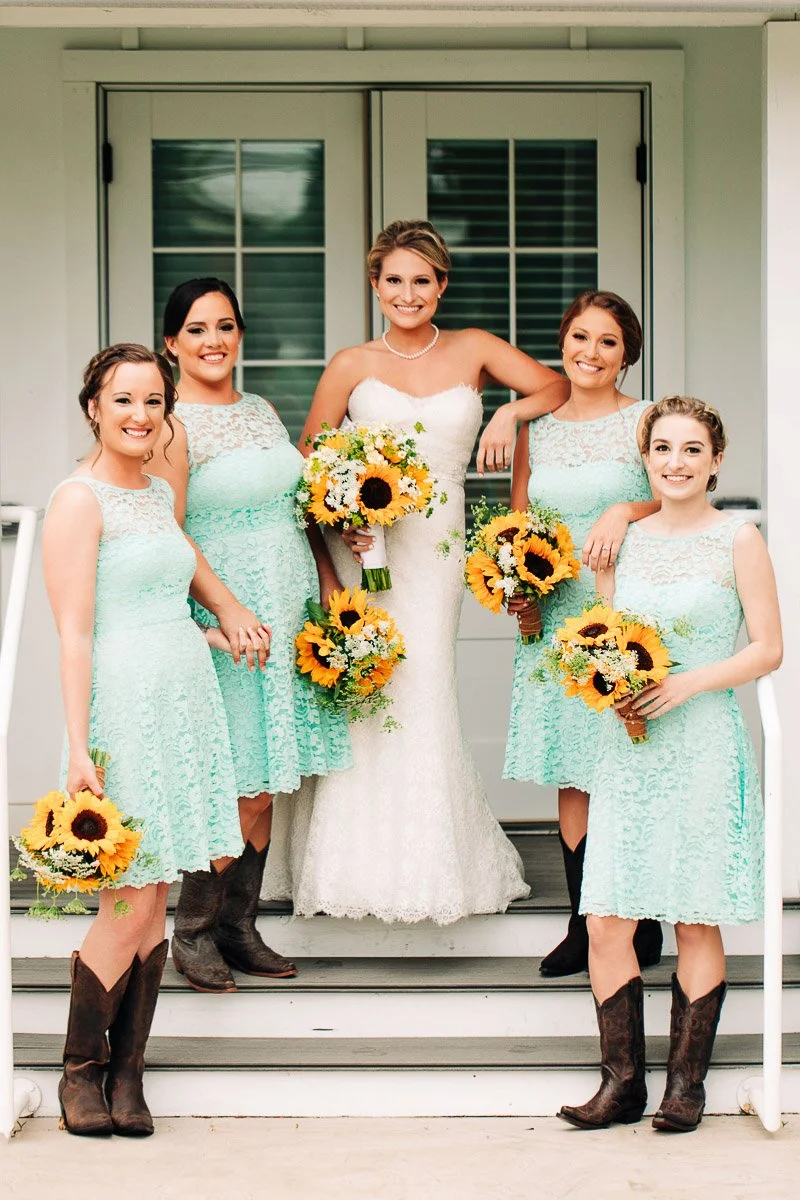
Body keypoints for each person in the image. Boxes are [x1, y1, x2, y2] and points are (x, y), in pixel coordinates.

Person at [264, 218, 569, 924]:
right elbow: (308, 462)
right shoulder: (350, 363)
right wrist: (342, 520)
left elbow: (554, 387)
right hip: (366, 545)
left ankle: (432, 864)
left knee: (423, 682)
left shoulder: (474, 348)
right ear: (375, 284)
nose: (408, 294)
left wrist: (508, 415)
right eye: (394, 280)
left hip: (435, 550)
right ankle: (346, 864)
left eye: (422, 281)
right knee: (363, 688)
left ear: (441, 286)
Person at [43, 344, 267, 1136]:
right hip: (126, 711)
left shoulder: (156, 492)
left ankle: (129, 1076)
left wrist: (205, 638)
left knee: (159, 899)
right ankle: (80, 1072)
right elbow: (74, 634)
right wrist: (77, 746)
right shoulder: (79, 500)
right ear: (94, 408)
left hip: (187, 699)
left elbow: (163, 599)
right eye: (123, 400)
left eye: (152, 402)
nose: (140, 416)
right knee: (128, 898)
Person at [558, 395, 781, 1132]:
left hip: (703, 742)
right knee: (607, 919)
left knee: (692, 917)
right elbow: (610, 635)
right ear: (645, 458)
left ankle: (686, 1087)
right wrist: (612, 687)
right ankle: (621, 1085)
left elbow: (767, 648)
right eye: (662, 448)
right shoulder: (626, 540)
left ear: (716, 460)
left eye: (691, 449)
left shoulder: (739, 539)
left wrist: (686, 681)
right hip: (629, 749)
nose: (676, 462)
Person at [150, 278, 352, 992]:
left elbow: (296, 510)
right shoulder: (170, 427)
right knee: (237, 779)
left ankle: (240, 927)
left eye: (226, 326)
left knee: (265, 781)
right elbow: (169, 534)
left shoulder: (262, 410)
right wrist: (228, 608)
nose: (214, 341)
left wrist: (330, 583)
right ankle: (195, 928)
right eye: (198, 329)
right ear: (171, 343)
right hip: (228, 618)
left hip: (288, 611)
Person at [503, 291, 663, 976]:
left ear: (627, 354)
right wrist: (518, 590)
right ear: (561, 342)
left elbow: (677, 488)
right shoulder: (538, 430)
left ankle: (644, 918)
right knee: (573, 772)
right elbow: (517, 523)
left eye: (606, 342)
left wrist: (624, 510)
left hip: (627, 612)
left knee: (630, 764)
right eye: (579, 337)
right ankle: (584, 921)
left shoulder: (646, 420)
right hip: (557, 617)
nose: (589, 353)